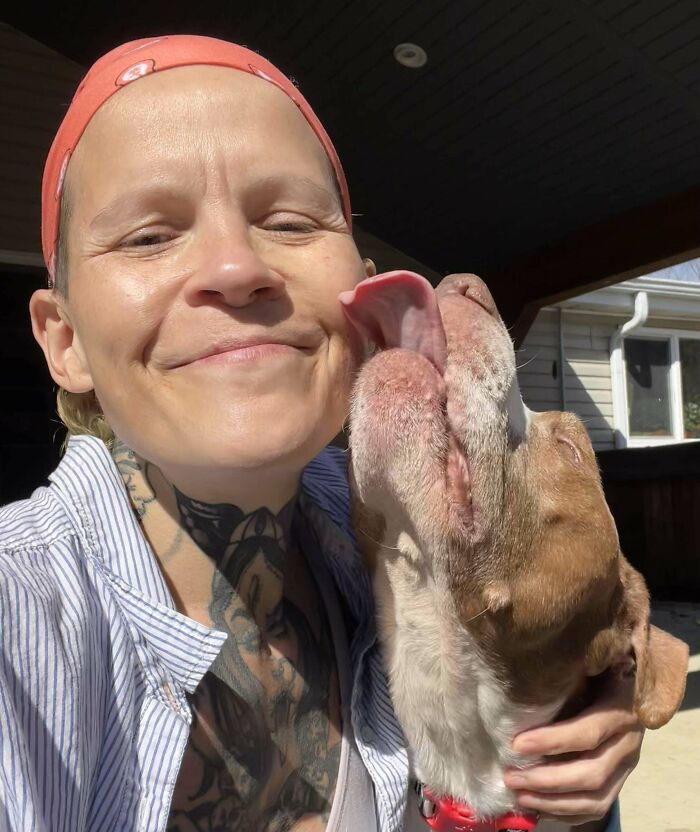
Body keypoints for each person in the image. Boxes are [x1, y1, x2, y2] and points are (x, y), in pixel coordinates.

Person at [0, 35, 643, 832]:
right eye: (149, 236)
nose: (235, 267)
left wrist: (582, 722)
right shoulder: (20, 617)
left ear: (365, 294)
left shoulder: (390, 532)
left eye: (290, 220)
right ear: (64, 340)